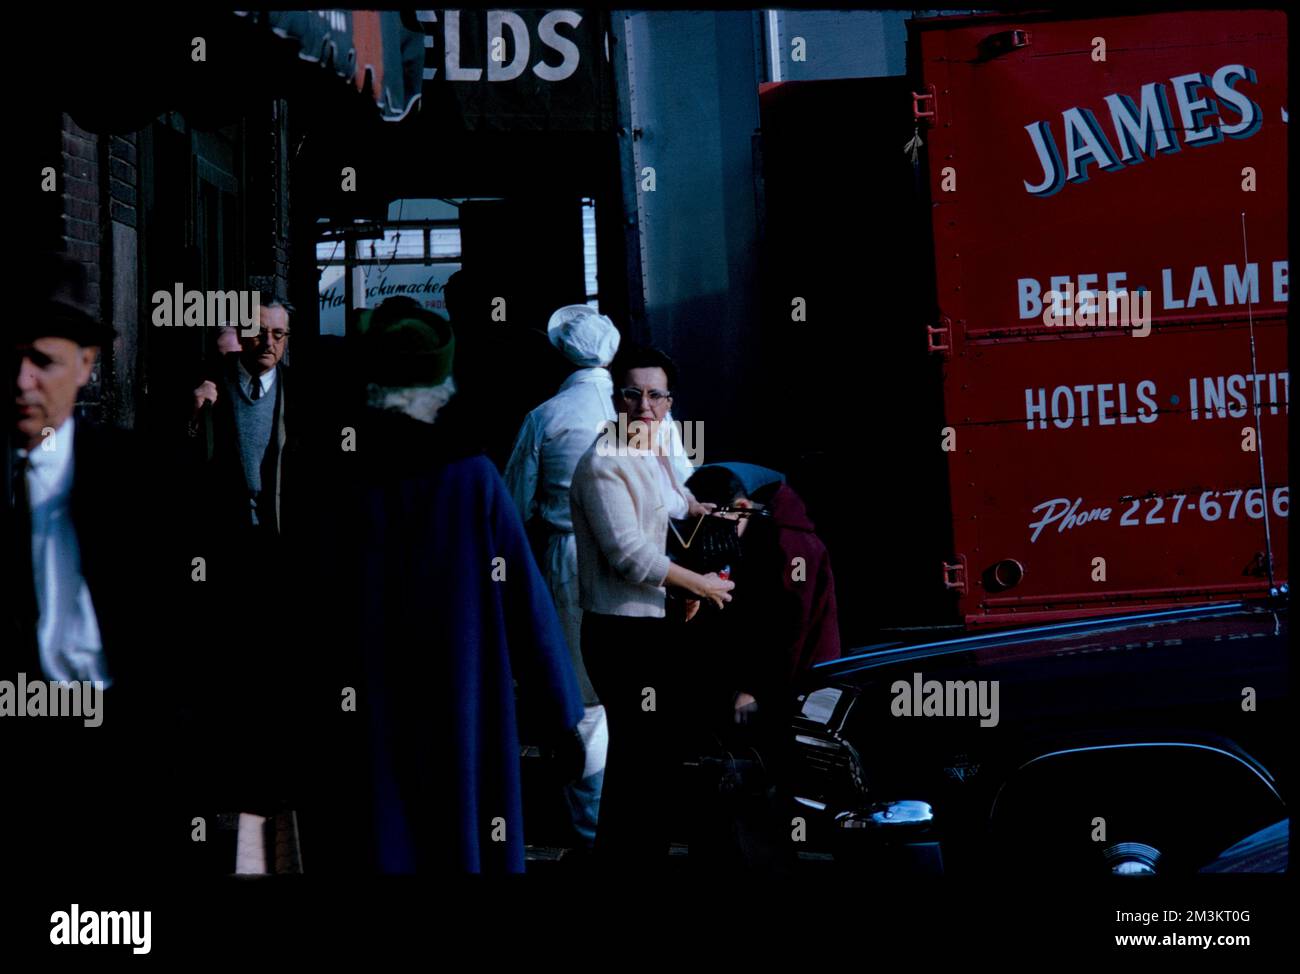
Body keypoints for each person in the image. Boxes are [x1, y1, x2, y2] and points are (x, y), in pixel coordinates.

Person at [303, 302, 586, 873]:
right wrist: (560, 714)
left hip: (365, 697)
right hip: (464, 695)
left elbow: (306, 599)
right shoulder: (472, 475)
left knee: (377, 834)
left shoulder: (334, 473)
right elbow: (525, 601)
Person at [4, 252, 181, 876]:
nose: (21, 381)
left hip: (118, 748)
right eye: (9, 358)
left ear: (86, 365)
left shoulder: (144, 480)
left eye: (43, 361)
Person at [569, 343, 733, 868]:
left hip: (654, 625)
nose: (645, 406)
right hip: (621, 633)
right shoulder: (603, 463)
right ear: (614, 398)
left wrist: (720, 513)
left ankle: (642, 862)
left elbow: (681, 507)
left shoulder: (659, 444)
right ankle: (626, 865)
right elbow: (630, 557)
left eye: (656, 395)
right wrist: (699, 586)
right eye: (633, 394)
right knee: (639, 762)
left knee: (655, 759)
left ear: (669, 400)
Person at [680, 463, 841, 870]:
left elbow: (792, 628)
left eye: (718, 518)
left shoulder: (790, 545)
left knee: (768, 791)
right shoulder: (754, 531)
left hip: (793, 686)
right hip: (762, 681)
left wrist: (755, 687)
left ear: (743, 506)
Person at [504, 304, 621, 854]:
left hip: (567, 561)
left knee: (582, 701)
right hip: (638, 567)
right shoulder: (647, 417)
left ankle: (588, 829)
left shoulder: (545, 417)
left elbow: (513, 503)